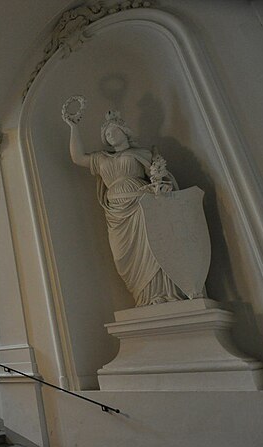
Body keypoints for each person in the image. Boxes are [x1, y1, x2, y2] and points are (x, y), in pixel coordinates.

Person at [63, 102, 185, 306]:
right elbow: (77, 158)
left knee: (152, 249)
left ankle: (163, 294)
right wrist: (73, 127)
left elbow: (161, 181)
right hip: (117, 213)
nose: (109, 136)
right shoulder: (101, 158)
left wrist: (160, 182)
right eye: (106, 134)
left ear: (124, 131)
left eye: (112, 131)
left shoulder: (143, 154)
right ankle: (143, 298)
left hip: (141, 205)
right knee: (124, 257)